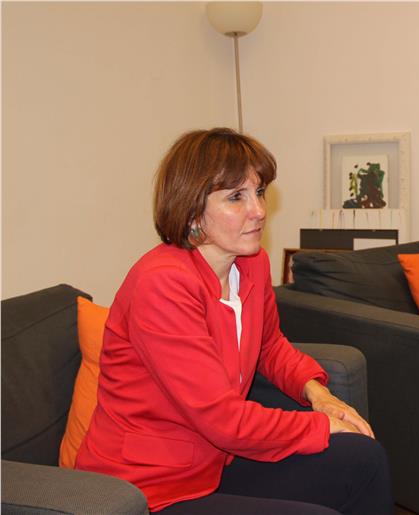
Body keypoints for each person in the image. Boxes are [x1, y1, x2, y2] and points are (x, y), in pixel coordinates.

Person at [75, 128, 394, 515]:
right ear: (192, 210)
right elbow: (222, 420)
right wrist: (321, 426)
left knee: (364, 460)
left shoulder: (251, 263)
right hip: (146, 486)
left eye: (258, 192)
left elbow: (269, 346)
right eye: (235, 197)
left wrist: (317, 394)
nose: (258, 210)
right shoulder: (161, 283)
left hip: (215, 459)